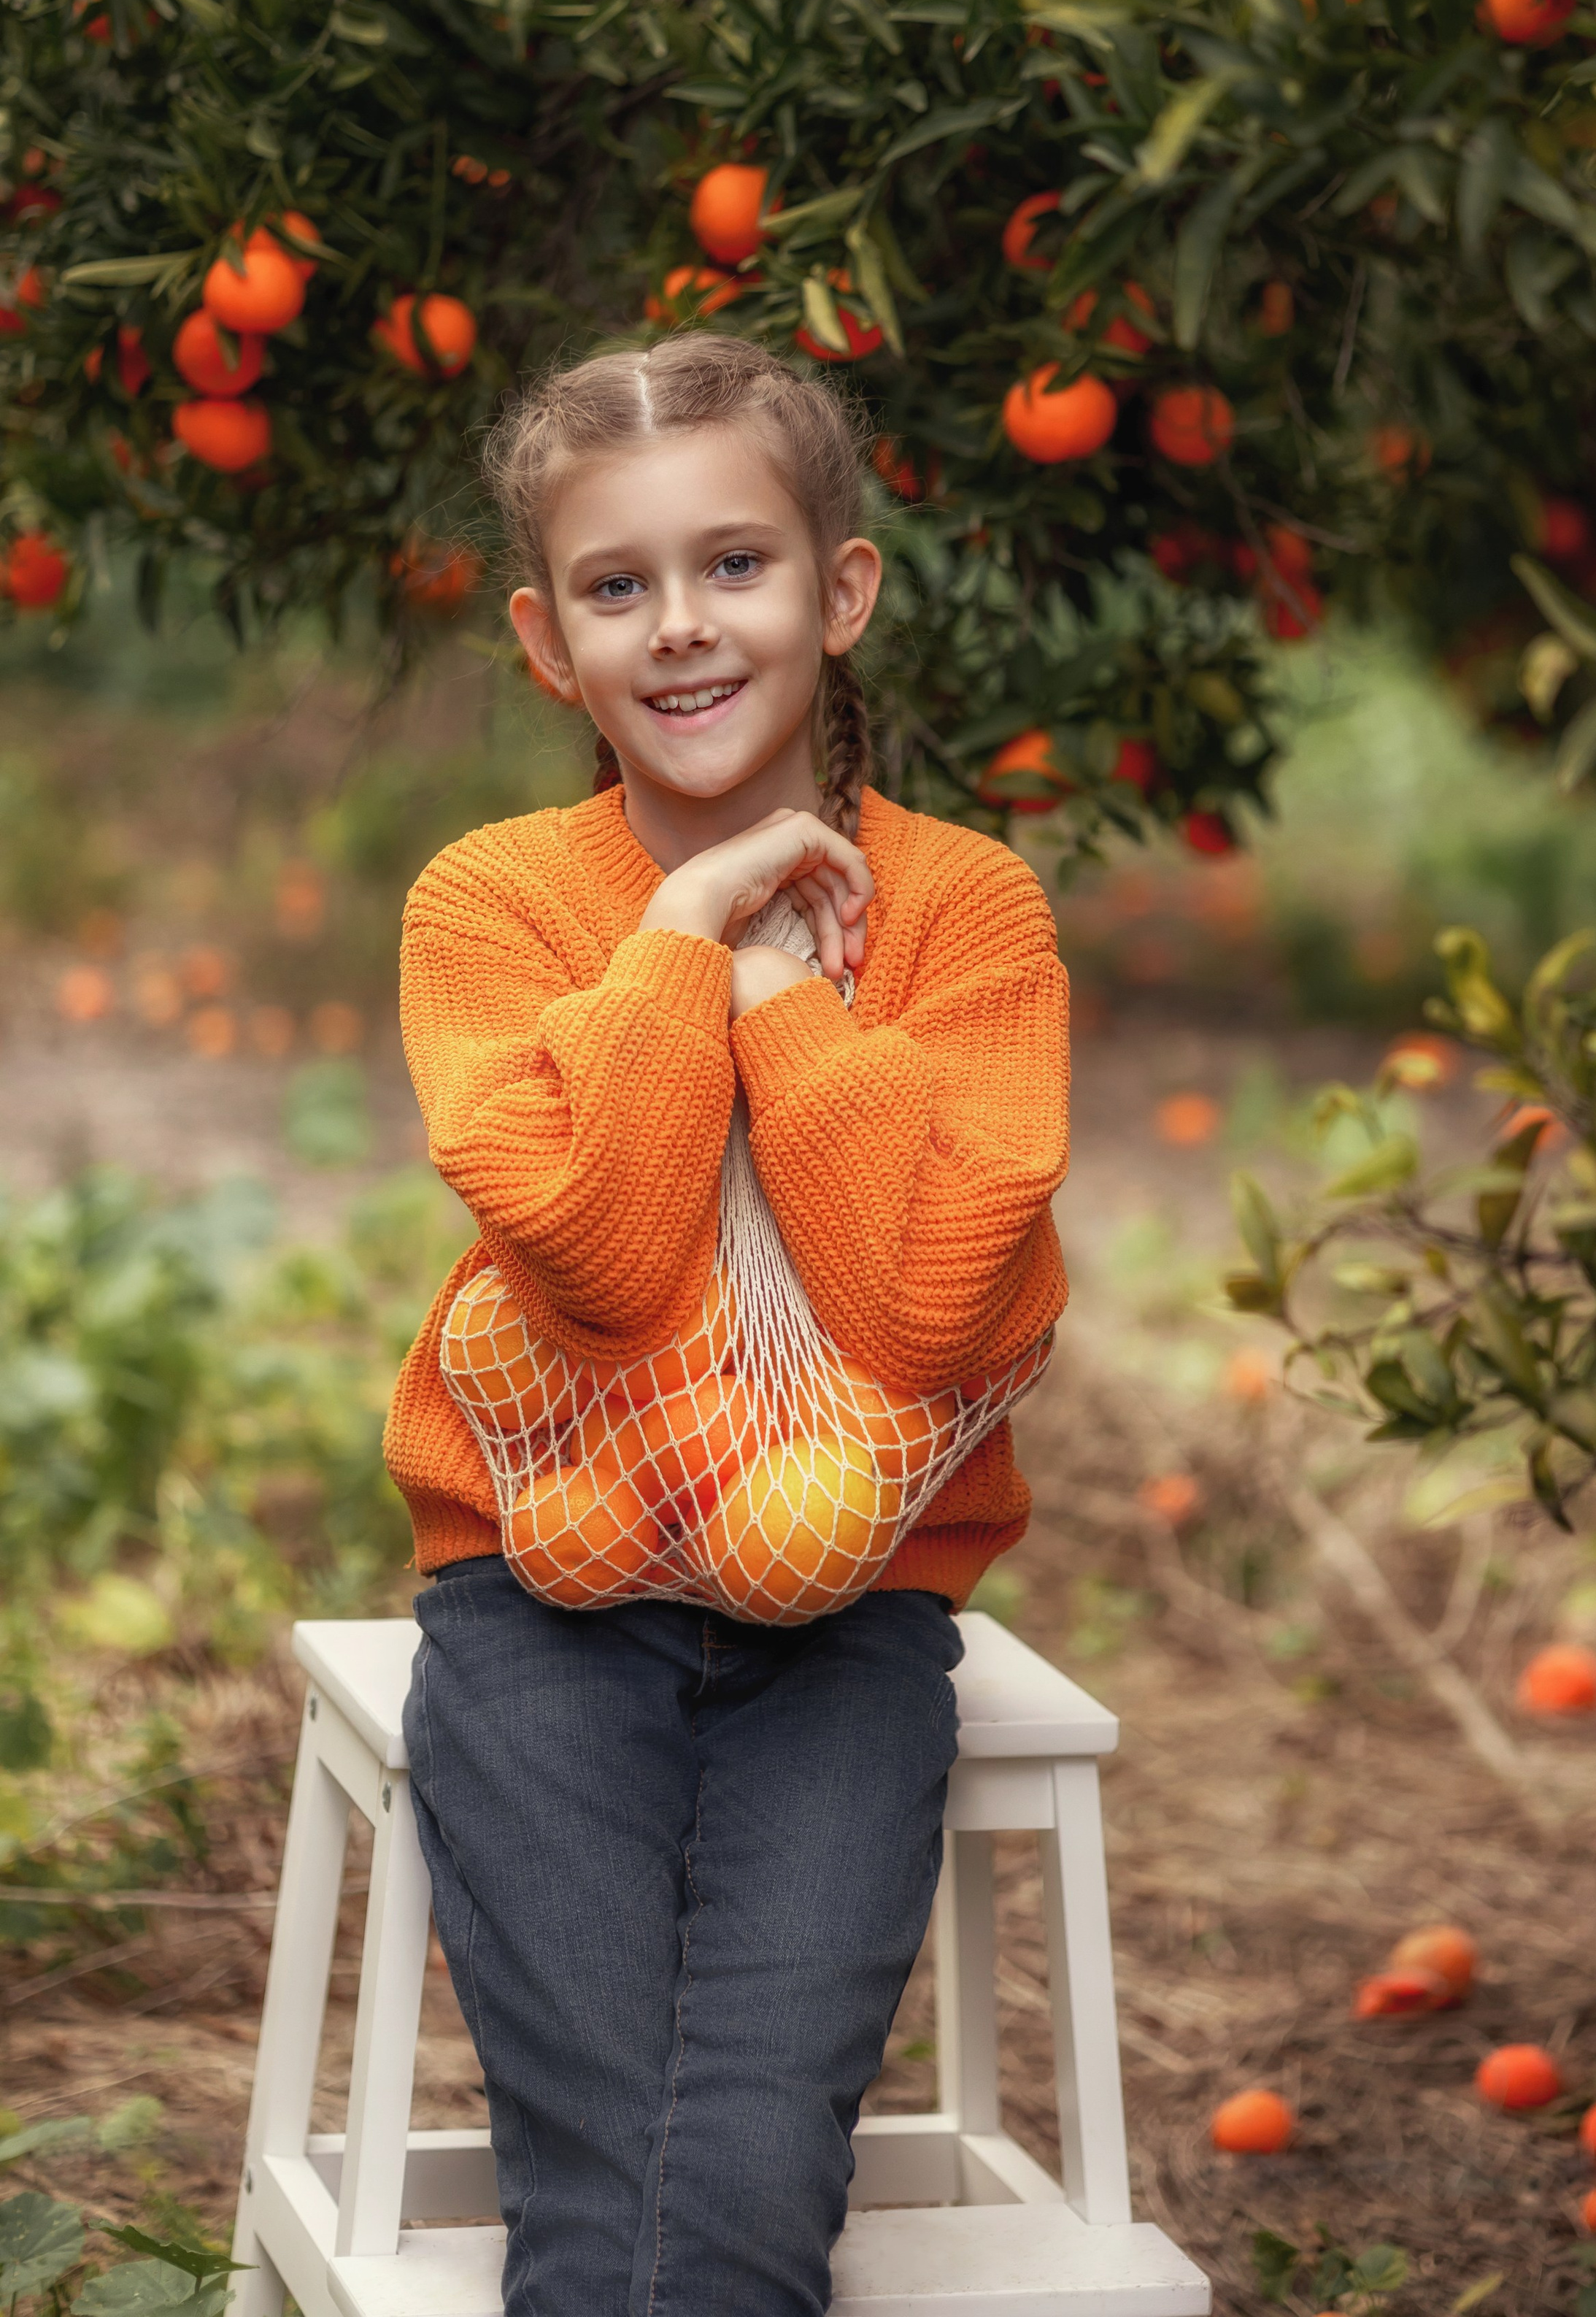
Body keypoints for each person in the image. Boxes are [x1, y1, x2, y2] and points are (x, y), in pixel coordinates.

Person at [385, 330, 1071, 2316]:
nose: (681, 630)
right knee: (608, 2163)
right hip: (540, 1601)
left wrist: (791, 988)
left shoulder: (966, 920)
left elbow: (922, 1307)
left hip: (851, 1620)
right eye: (619, 586)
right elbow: (599, 1258)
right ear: (547, 640)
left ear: (840, 591)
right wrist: (685, 936)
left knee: (755, 2157)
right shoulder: (494, 906)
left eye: (736, 566)